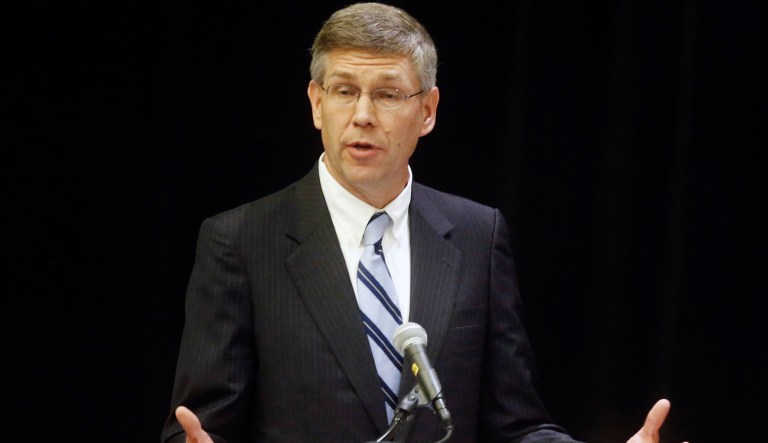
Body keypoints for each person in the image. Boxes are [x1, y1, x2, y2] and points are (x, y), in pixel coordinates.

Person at [161, 3, 685, 443]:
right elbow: (200, 427)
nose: (362, 115)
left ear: (428, 111)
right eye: (344, 91)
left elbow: (516, 426)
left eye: (388, 94)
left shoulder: (478, 235)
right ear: (317, 105)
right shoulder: (241, 241)